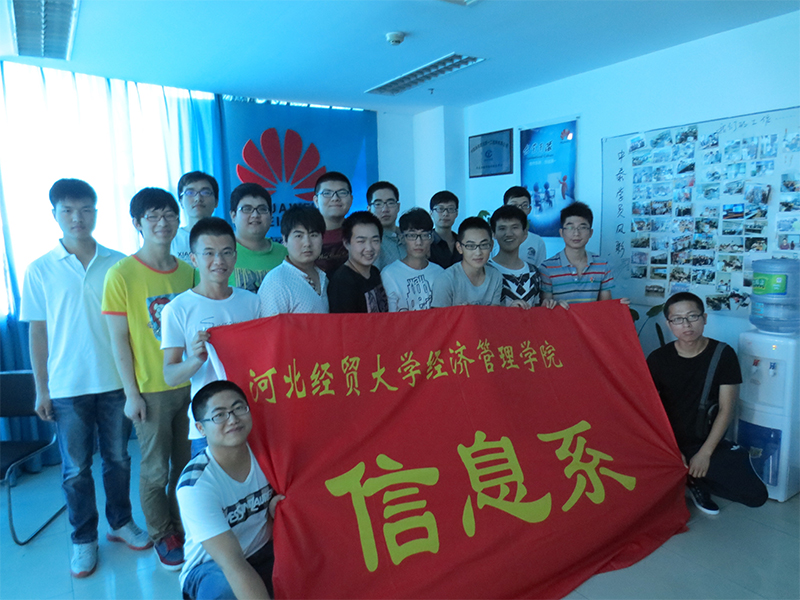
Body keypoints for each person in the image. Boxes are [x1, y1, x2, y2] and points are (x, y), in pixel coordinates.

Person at [20, 179, 149, 578]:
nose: (78, 218)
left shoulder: (118, 263)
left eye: (86, 209)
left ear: (96, 212)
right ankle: (83, 539)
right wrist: (41, 388)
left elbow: (133, 327)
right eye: (68, 211)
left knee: (118, 459)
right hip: (67, 386)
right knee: (75, 469)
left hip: (115, 381)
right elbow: (38, 332)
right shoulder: (40, 269)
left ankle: (120, 522)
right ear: (55, 214)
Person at [102, 188, 194, 570]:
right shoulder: (121, 274)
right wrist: (131, 394)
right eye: (152, 216)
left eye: (169, 215)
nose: (162, 223)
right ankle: (162, 533)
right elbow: (118, 339)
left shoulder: (189, 271)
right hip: (151, 390)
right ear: (137, 223)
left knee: (186, 464)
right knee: (156, 469)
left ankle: (183, 524)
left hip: (191, 383)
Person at [647, 293, 768, 514]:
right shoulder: (657, 359)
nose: (686, 324)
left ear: (704, 318)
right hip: (667, 441)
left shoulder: (723, 354)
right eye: (678, 319)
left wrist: (704, 454)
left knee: (755, 496)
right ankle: (688, 476)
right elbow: (649, 410)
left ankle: (695, 479)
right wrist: (670, 448)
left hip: (704, 441)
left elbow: (726, 409)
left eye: (692, 316)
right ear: (669, 324)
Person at [161, 217, 262, 459]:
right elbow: (170, 376)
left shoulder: (252, 302)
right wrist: (196, 359)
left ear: (235, 257)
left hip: (252, 416)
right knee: (211, 483)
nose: (219, 261)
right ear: (194, 259)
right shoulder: (177, 309)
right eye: (209, 253)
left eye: (226, 252)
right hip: (208, 425)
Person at [177, 381, 284, 600]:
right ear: (200, 428)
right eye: (219, 415)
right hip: (212, 567)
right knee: (225, 590)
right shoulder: (195, 485)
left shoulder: (269, 455)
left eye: (239, 408)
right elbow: (233, 564)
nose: (233, 419)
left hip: (264, 551)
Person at [539, 201, 615, 306]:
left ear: (590, 233)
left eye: (582, 227)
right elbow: (546, 308)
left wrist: (620, 306)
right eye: (570, 227)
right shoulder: (547, 268)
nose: (576, 233)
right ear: (561, 232)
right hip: (560, 317)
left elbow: (605, 307)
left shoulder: (603, 265)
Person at [259, 204, 329, 316]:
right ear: (284, 240)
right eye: (298, 236)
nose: (307, 243)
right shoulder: (276, 282)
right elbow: (269, 325)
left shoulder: (323, 277)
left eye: (313, 235)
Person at [432, 217, 504, 307]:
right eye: (470, 246)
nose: (478, 252)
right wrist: (460, 312)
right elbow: (438, 315)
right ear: (459, 248)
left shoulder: (495, 276)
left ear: (492, 246)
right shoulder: (445, 280)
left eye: (484, 245)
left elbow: (494, 313)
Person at [228, 183, 287, 293]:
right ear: (233, 216)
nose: (255, 215)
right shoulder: (219, 254)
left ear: (271, 216)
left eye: (262, 209)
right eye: (247, 209)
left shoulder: (286, 255)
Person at [381, 208, 443, 312]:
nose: (419, 242)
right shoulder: (389, 274)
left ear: (431, 238)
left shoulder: (440, 273)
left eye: (424, 235)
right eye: (412, 235)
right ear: (402, 238)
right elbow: (388, 317)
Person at [327, 211, 388, 313]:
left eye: (375, 241)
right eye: (361, 241)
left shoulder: (374, 272)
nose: (369, 248)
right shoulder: (342, 283)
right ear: (346, 243)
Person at [488, 205, 542, 308]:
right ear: (493, 233)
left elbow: (537, 311)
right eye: (502, 228)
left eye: (515, 227)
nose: (508, 234)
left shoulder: (534, 272)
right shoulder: (486, 270)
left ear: (525, 233)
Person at [490, 186, 547, 268]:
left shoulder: (537, 242)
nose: (519, 210)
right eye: (514, 205)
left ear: (529, 209)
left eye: (524, 205)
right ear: (504, 207)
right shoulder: (495, 239)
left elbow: (540, 271)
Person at [172, 172, 220, 262]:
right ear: (181, 202)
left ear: (216, 201)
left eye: (205, 192)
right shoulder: (172, 239)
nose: (198, 198)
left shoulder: (226, 237)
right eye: (190, 192)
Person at [313, 172, 353, 275]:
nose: (335, 198)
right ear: (316, 201)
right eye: (327, 193)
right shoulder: (305, 236)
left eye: (342, 192)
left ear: (351, 199)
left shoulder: (359, 231)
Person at [367, 181, 406, 270]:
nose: (385, 209)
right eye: (378, 204)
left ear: (398, 206)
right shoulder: (369, 243)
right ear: (369, 209)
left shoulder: (408, 237)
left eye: (390, 203)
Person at [428, 191, 462, 268]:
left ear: (456, 213)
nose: (445, 214)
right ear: (431, 213)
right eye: (440, 209)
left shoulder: (462, 241)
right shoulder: (426, 242)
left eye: (450, 209)